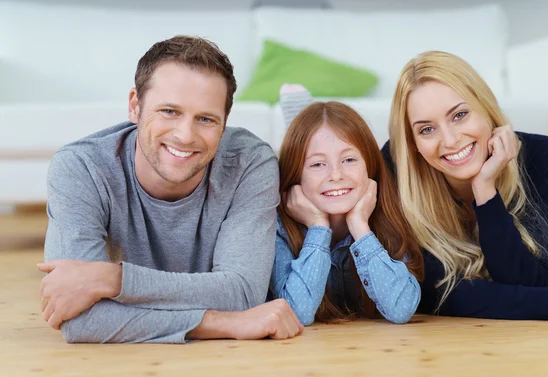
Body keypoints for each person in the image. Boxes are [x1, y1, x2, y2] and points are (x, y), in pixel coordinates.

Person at [37, 35, 303, 343]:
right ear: (135, 106)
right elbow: (81, 320)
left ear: (225, 122)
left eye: (205, 119)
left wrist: (112, 279)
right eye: (169, 111)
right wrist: (225, 324)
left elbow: (242, 293)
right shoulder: (81, 167)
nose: (185, 135)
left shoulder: (250, 163)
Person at [384, 50, 548, 321]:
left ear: (486, 107)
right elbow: (426, 291)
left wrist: (485, 190)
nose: (450, 140)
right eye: (427, 129)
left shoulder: (547, 159)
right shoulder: (396, 168)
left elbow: (531, 282)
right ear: (412, 143)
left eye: (460, 115)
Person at [270, 85, 423, 326]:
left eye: (349, 160)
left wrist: (360, 227)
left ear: (369, 166)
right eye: (317, 164)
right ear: (296, 176)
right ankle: (300, 127)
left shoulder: (388, 213)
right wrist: (318, 227)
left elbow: (401, 309)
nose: (336, 175)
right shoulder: (277, 228)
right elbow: (297, 313)